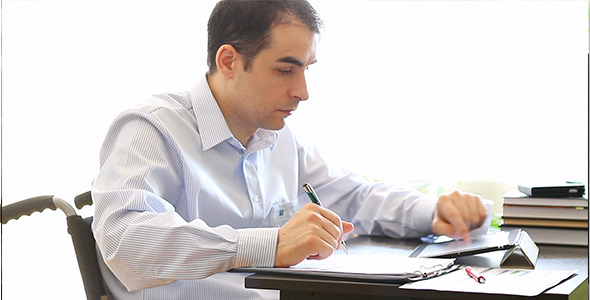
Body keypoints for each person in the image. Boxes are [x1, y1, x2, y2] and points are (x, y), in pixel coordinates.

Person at [91, 0, 488, 299]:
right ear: (229, 61)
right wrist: (272, 244)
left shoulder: (277, 137)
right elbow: (125, 239)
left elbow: (353, 198)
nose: (303, 92)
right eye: (285, 70)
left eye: (306, 69)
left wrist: (434, 212)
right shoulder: (151, 127)